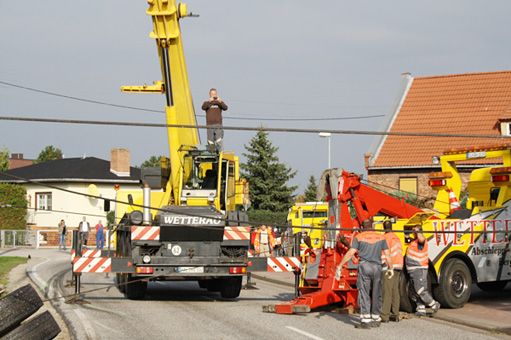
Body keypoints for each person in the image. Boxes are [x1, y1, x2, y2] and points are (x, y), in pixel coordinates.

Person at [336, 219, 393, 329]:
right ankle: (376, 318)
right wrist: (391, 268)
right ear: (372, 226)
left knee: (364, 292)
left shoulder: (359, 237)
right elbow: (388, 254)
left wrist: (340, 265)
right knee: (377, 292)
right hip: (377, 267)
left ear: (361, 228)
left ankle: (366, 320)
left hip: (364, 266)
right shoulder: (381, 237)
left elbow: (351, 253)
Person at [405, 224, 441, 316]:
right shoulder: (415, 241)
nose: (413, 233)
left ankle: (434, 304)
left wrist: (418, 231)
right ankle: (421, 310)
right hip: (414, 269)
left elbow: (421, 238)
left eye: (414, 231)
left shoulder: (421, 241)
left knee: (420, 290)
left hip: (419, 268)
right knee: (416, 291)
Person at [381, 220, 403, 323]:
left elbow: (384, 253)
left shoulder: (385, 238)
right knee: (395, 290)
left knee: (387, 291)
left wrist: (383, 266)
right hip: (398, 265)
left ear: (383, 227)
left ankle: (384, 315)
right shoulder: (396, 237)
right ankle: (395, 314)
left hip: (390, 266)